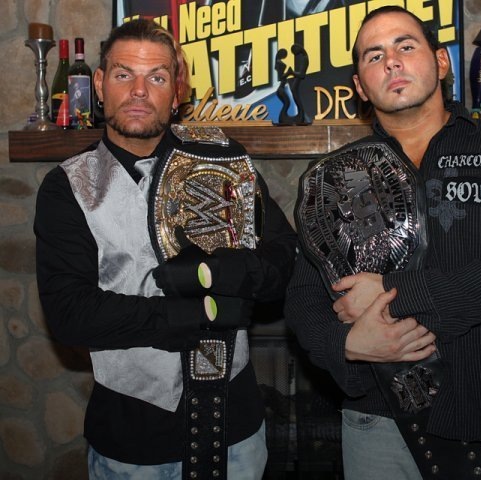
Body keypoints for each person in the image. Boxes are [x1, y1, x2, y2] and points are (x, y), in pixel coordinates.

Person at [285, 6, 481, 480]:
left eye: (405, 46)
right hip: (376, 428)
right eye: (374, 55)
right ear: (360, 86)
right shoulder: (331, 177)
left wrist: (392, 294)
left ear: (441, 61)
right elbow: (303, 299)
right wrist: (347, 343)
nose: (391, 61)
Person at [34, 18, 297, 479]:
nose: (139, 91)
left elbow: (284, 256)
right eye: (124, 75)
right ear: (100, 85)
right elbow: (69, 312)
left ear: (177, 92)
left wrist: (245, 272)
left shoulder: (222, 158)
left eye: (156, 77)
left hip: (236, 432)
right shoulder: (68, 187)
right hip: (132, 443)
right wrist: (183, 317)